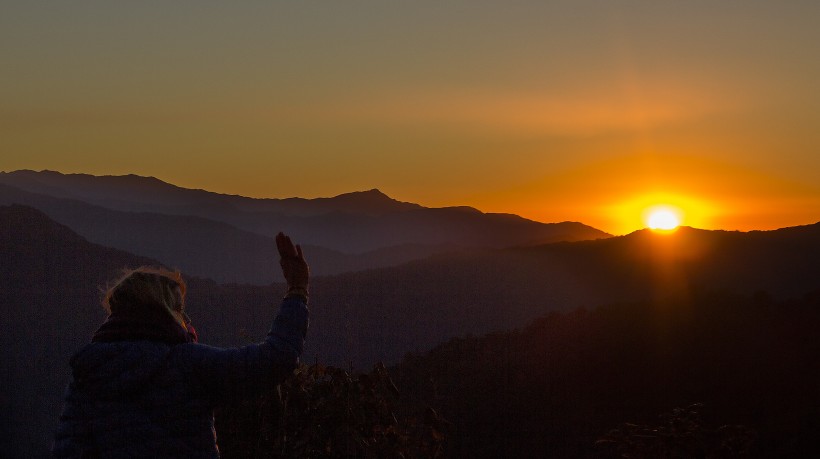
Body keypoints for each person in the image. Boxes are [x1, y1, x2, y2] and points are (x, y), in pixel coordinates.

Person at [53, 232, 310, 458]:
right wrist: (297, 290)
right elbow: (276, 359)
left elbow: (69, 451)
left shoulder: (89, 373)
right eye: (179, 308)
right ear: (164, 310)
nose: (185, 318)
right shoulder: (188, 364)